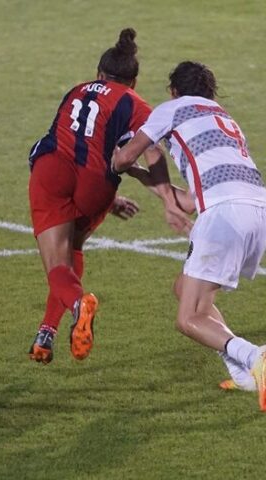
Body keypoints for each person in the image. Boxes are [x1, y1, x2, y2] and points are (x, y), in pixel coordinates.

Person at [112, 60, 266, 411]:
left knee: (188, 318)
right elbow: (186, 201)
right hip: (256, 210)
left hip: (225, 214)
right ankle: (242, 372)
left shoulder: (171, 109)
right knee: (185, 289)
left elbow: (124, 158)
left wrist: (117, 161)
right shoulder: (225, 120)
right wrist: (141, 176)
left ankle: (256, 356)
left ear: (173, 91)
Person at [27, 28, 166, 364]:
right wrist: (165, 193)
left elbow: (70, 134)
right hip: (97, 184)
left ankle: (78, 304)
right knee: (72, 248)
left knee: (57, 264)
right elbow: (152, 151)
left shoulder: (76, 91)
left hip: (52, 169)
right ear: (133, 81)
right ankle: (46, 333)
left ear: (99, 74)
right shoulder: (136, 103)